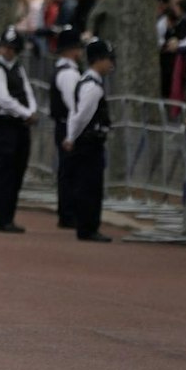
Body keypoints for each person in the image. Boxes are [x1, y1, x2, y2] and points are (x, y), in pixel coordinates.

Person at [0, 29, 37, 233]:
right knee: (5, 172)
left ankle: (10, 216)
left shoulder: (18, 69)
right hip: (4, 125)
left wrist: (31, 110)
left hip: (20, 125)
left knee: (17, 171)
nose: (7, 51)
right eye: (5, 47)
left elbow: (27, 92)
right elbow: (2, 99)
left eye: (12, 48)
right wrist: (26, 113)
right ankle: (2, 218)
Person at [62, 39, 116, 242]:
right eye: (108, 59)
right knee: (90, 185)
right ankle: (88, 227)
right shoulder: (92, 87)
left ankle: (88, 225)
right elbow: (82, 115)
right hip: (89, 143)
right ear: (98, 60)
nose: (111, 64)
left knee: (90, 184)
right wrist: (71, 137)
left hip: (87, 142)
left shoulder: (87, 81)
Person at [50, 28, 84, 228]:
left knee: (68, 171)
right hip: (67, 125)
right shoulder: (69, 74)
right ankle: (68, 213)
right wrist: (74, 132)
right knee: (70, 171)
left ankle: (68, 211)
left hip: (64, 124)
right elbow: (74, 105)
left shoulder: (63, 70)